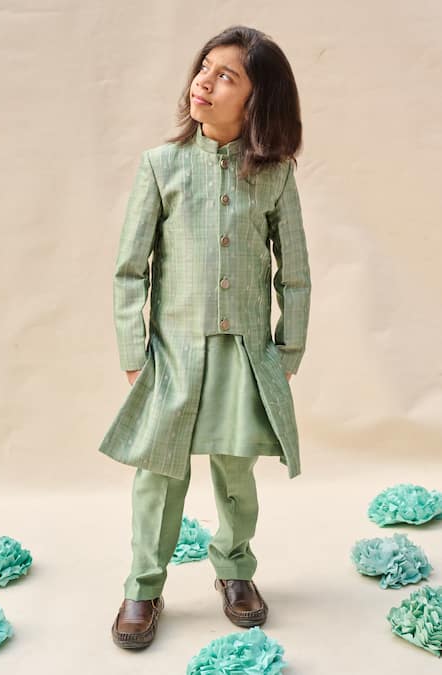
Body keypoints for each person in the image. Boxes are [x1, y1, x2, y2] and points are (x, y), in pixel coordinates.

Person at [98, 24, 312, 650]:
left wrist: (288, 348)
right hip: (173, 354)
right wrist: (134, 352)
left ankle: (235, 570)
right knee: (158, 475)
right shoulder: (160, 166)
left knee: (236, 474)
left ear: (257, 98)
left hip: (244, 353)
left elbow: (294, 272)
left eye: (226, 76)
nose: (204, 82)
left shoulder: (274, 176)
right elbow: (129, 269)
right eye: (204, 68)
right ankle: (143, 585)